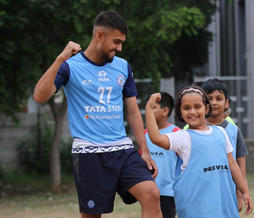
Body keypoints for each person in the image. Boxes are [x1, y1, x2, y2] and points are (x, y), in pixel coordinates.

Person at [33, 10, 162, 218]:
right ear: (99, 35)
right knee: (92, 215)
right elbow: (40, 96)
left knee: (152, 194)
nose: (119, 48)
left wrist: (144, 149)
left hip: (123, 149)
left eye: (122, 43)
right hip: (89, 153)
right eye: (116, 42)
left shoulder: (123, 67)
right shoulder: (69, 67)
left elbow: (132, 112)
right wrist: (60, 59)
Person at [145, 86, 253, 218]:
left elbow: (233, 164)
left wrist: (245, 191)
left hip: (224, 204)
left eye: (197, 106)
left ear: (206, 108)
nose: (192, 112)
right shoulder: (182, 137)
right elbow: (156, 138)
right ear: (180, 111)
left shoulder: (221, 133)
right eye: (186, 108)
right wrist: (149, 110)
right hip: (196, 208)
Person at [201, 78, 249, 212]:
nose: (214, 103)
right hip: (203, 192)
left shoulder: (233, 131)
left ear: (226, 103)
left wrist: (240, 195)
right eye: (209, 99)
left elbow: (240, 166)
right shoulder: (193, 130)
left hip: (227, 192)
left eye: (218, 98)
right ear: (203, 103)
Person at [144, 92, 180, 218]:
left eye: (152, 108)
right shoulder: (144, 134)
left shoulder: (177, 133)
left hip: (168, 192)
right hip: (148, 190)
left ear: (165, 111)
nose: (147, 112)